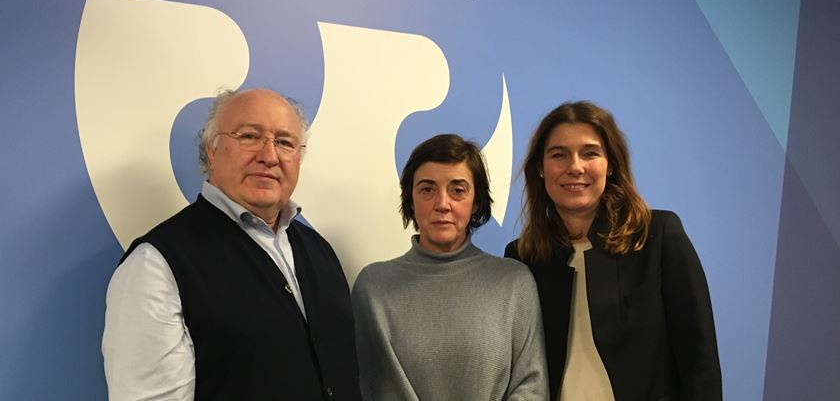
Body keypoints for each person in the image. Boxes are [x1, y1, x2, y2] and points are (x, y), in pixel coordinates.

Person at [102, 88, 360, 400]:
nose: (269, 155)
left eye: (284, 142)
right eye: (250, 136)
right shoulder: (157, 264)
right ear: (211, 150)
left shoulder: (320, 252)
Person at [505, 101, 722, 401]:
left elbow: (700, 360)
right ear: (540, 169)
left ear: (611, 164)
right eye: (559, 155)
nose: (575, 167)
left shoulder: (658, 236)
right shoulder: (523, 257)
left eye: (590, 153)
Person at [352, 134, 549, 401]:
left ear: (476, 201)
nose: (442, 204)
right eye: (427, 189)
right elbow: (373, 388)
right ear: (410, 200)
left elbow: (532, 388)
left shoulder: (514, 283)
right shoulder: (373, 287)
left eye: (458, 190)